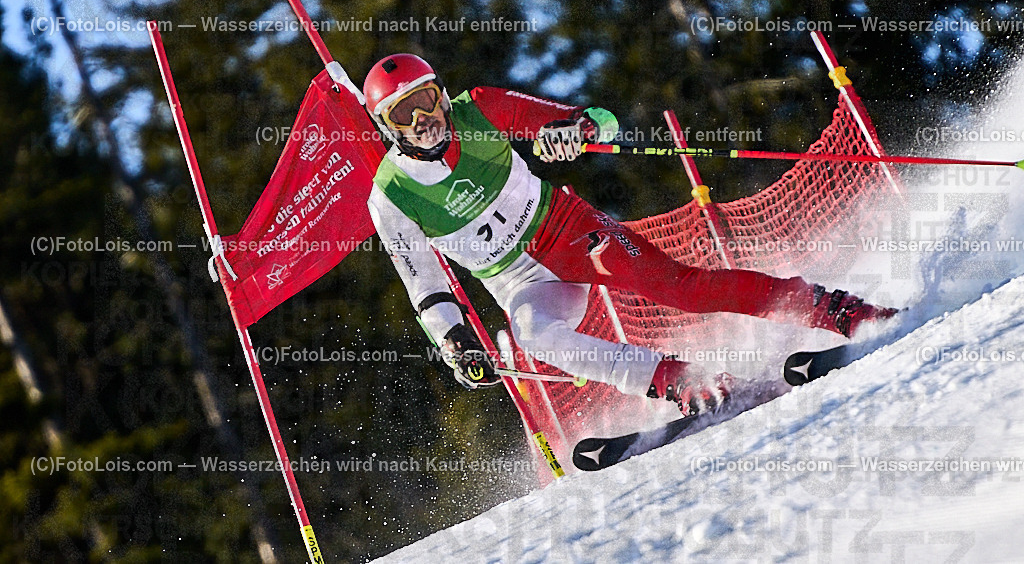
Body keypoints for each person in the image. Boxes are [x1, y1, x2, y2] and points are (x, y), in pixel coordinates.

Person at [364, 53, 896, 417]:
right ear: (385, 124)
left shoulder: (478, 108)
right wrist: (455, 343)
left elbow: (599, 118)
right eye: (404, 112)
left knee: (681, 289)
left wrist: (573, 132)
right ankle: (684, 381)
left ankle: (835, 309)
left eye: (429, 98)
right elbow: (424, 284)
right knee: (534, 336)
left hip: (568, 233)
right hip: (517, 282)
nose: (425, 118)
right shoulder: (390, 197)